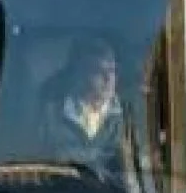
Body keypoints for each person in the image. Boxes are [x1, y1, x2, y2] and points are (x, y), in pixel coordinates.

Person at [37, 38, 128, 176]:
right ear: (79, 74)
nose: (108, 78)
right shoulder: (51, 114)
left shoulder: (127, 117)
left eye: (112, 70)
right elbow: (39, 163)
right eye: (98, 71)